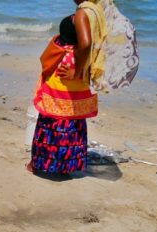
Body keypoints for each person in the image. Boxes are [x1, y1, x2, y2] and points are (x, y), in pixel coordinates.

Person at [28, 10, 98, 175]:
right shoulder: (95, 13)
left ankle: (39, 164)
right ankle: (66, 166)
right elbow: (87, 45)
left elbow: (85, 43)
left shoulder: (83, 14)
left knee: (51, 124)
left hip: (61, 87)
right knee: (72, 125)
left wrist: (75, 71)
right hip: (76, 90)